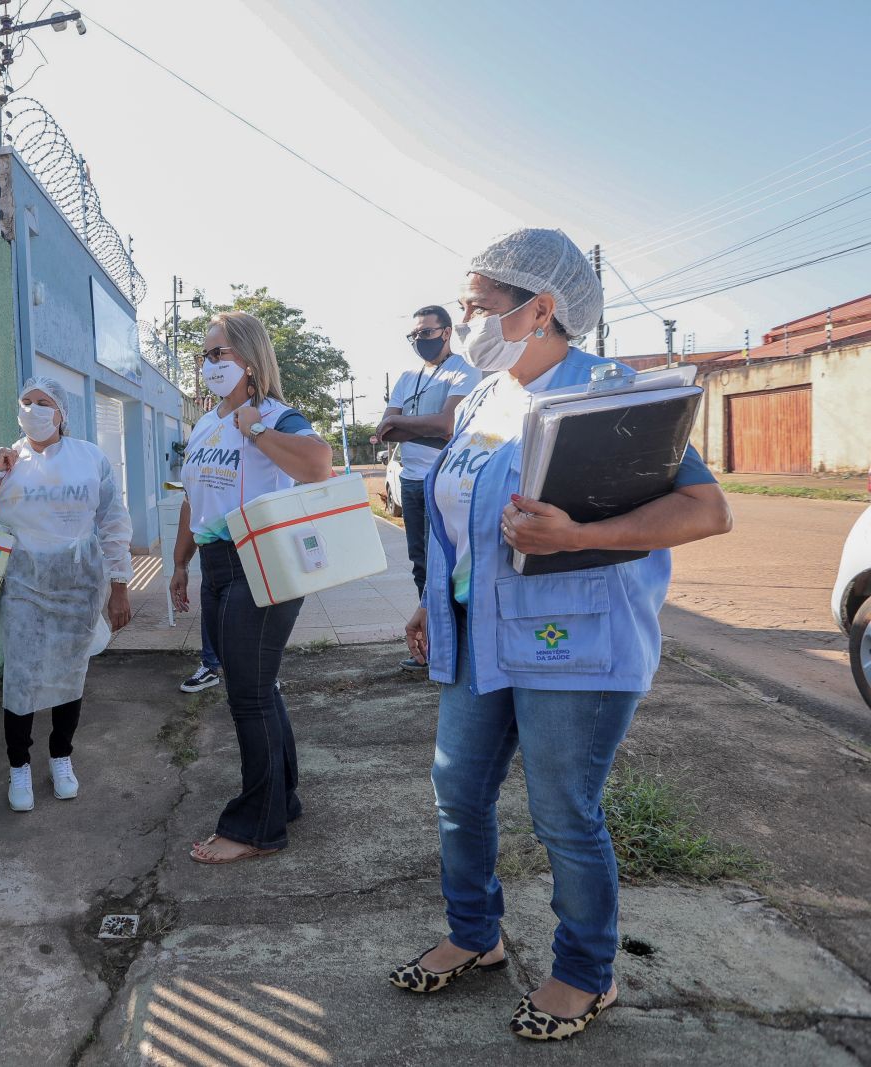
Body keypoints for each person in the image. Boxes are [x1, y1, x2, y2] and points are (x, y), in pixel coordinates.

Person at [391, 229, 732, 1040]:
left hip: (572, 643)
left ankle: (585, 970)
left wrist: (577, 534)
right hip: (479, 634)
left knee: (562, 813)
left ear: (540, 308)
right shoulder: (483, 398)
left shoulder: (612, 392)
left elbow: (706, 511)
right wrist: (432, 601)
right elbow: (461, 520)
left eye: (477, 304)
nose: (462, 319)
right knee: (456, 792)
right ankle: (474, 934)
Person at [168, 311, 333, 864]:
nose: (208, 364)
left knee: (249, 694)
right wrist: (180, 563)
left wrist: (257, 429)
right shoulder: (206, 423)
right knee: (259, 687)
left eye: (220, 354)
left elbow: (318, 466)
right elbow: (195, 497)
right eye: (205, 355)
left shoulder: (278, 416)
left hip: (260, 559)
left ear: (250, 358)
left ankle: (257, 828)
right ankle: (280, 800)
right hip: (216, 563)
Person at [0, 377, 133, 812]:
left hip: (79, 583)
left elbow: (114, 522)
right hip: (22, 583)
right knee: (22, 676)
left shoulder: (89, 458)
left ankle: (61, 757)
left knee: (70, 671)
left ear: (61, 413)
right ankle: (19, 766)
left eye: (45, 403)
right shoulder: (6, 460)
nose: (35, 409)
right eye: (27, 401)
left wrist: (120, 584)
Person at [377, 305, 479, 671]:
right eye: (414, 335)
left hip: (447, 481)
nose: (419, 340)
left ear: (447, 332)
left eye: (426, 333)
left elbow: (448, 424)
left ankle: (457, 642)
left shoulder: (463, 371)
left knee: (451, 564)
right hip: (411, 481)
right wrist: (423, 426)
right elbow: (385, 427)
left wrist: (407, 425)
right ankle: (433, 643)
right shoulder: (408, 376)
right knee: (421, 565)